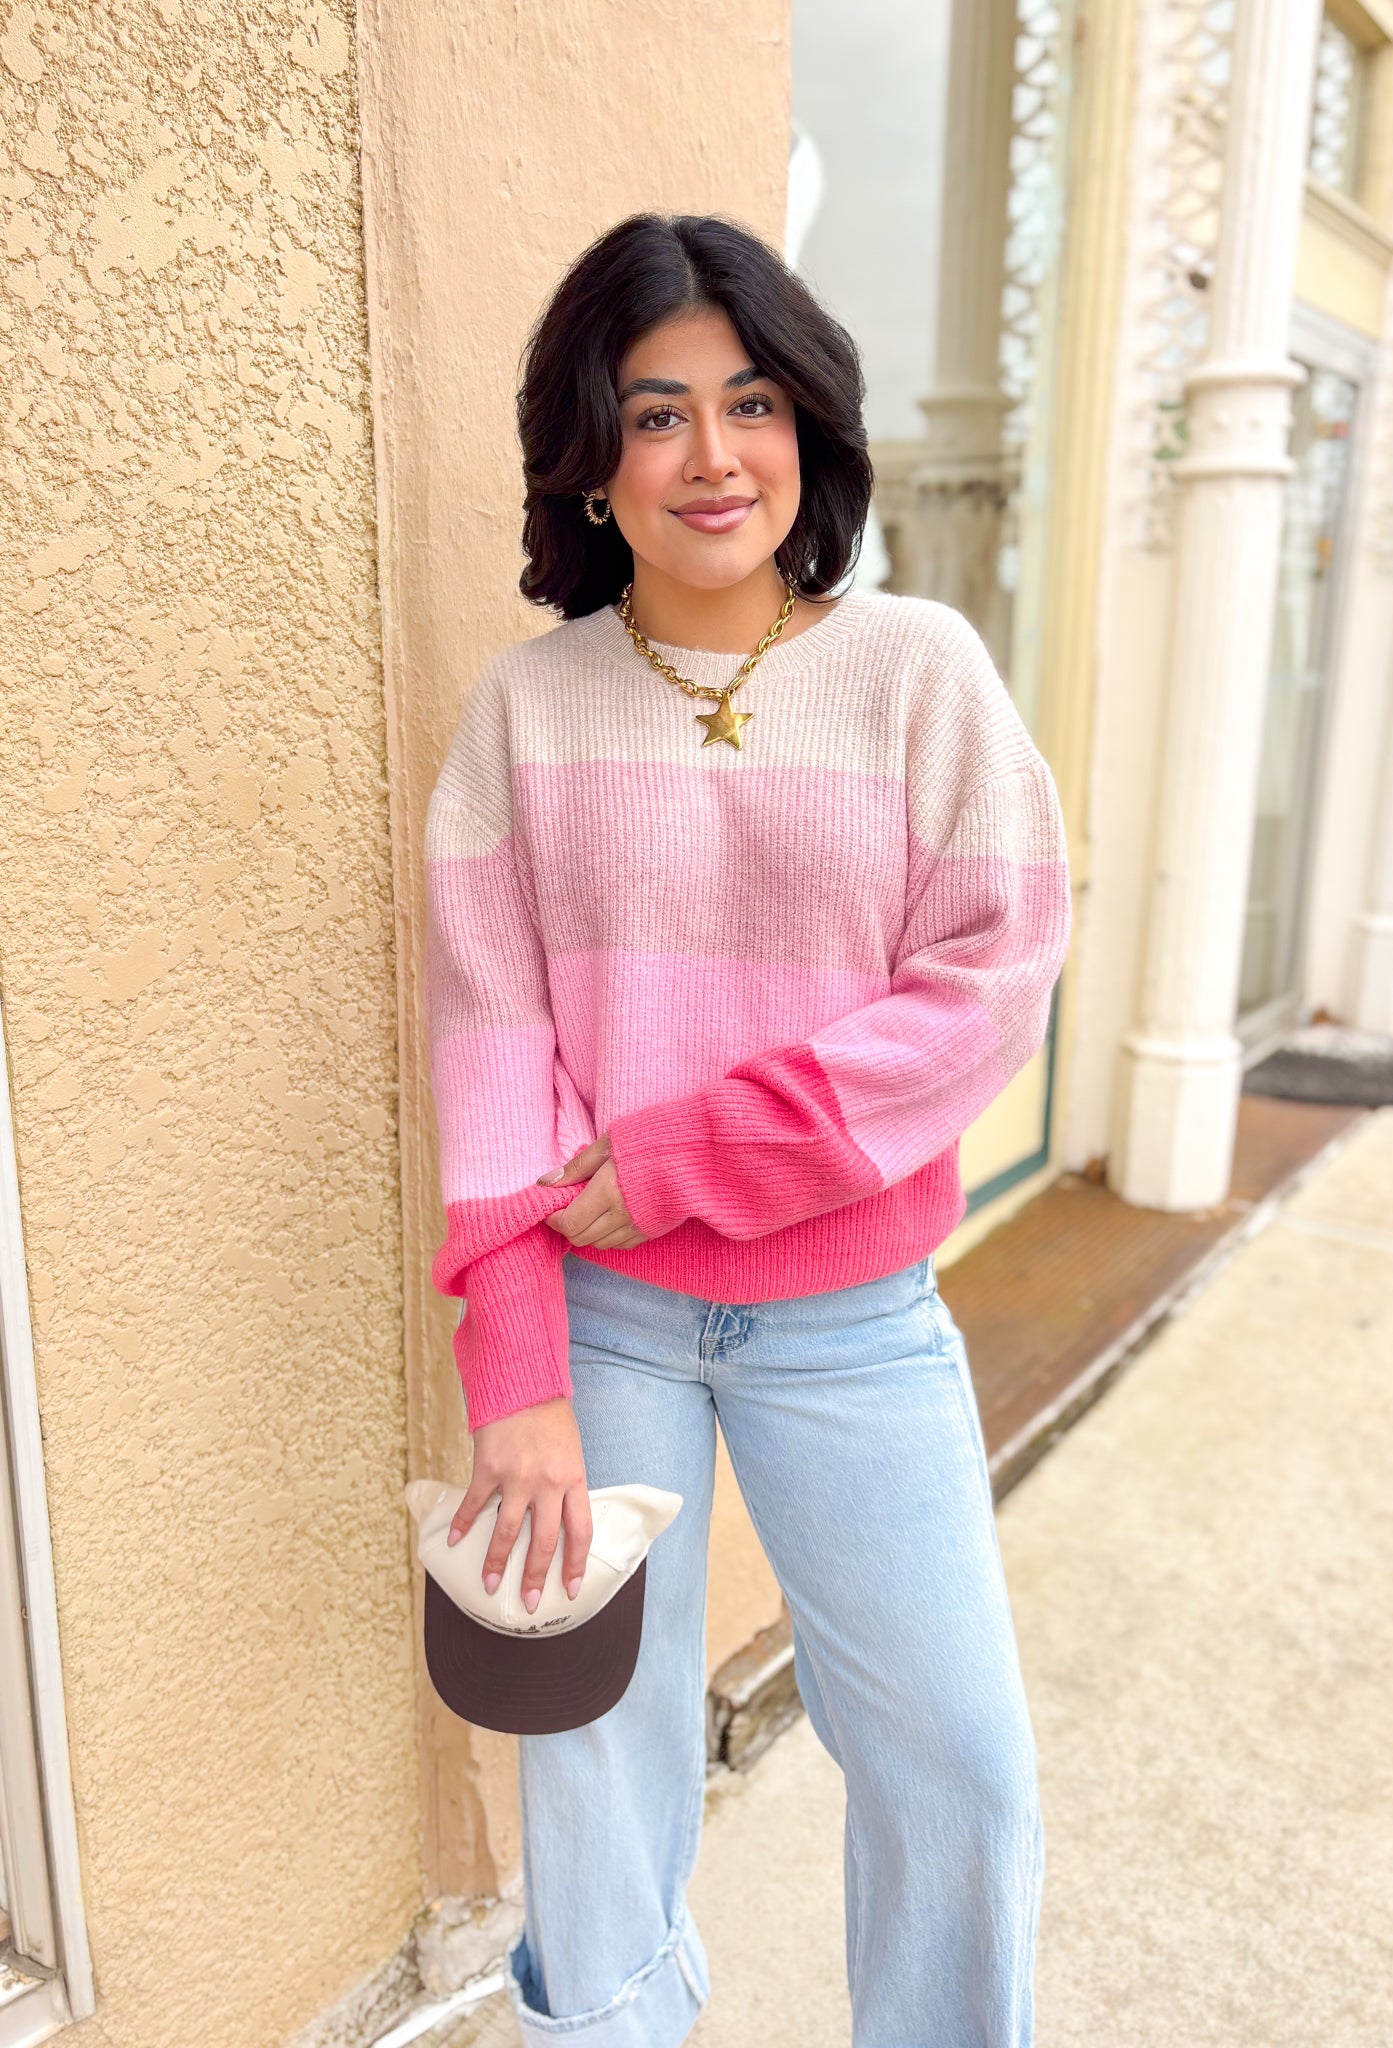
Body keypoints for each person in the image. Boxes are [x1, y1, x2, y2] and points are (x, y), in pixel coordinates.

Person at [422, 211, 1072, 2048]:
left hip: (855, 1330)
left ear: (812, 433)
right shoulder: (525, 716)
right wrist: (517, 1372)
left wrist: (703, 1152)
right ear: (591, 458)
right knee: (597, 1796)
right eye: (656, 413)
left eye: (753, 402)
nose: (713, 456)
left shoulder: (918, 671)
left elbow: (990, 976)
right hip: (599, 1335)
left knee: (958, 1767)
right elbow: (490, 1050)